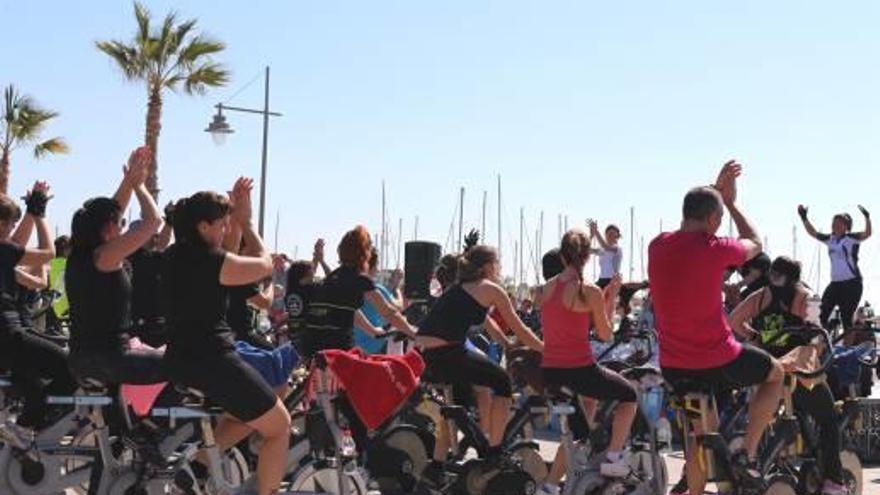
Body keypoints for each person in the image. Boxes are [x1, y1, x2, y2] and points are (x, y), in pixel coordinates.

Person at [648, 160, 783, 495]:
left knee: (698, 438)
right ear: (713, 221)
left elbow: (697, 215)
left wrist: (715, 194)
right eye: (719, 218)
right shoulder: (717, 250)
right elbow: (755, 241)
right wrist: (732, 202)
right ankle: (749, 454)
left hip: (676, 366)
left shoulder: (658, 246)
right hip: (718, 359)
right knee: (776, 373)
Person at [161, 178, 290, 495]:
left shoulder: (175, 255)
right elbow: (263, 266)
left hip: (182, 359)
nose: (224, 229)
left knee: (248, 414)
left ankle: (196, 468)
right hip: (214, 359)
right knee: (280, 426)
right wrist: (247, 223)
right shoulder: (211, 261)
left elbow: (228, 253)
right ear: (203, 226)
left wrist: (235, 221)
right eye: (221, 224)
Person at [416, 245, 544, 485]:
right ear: (487, 267)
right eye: (498, 264)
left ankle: (437, 464)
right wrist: (546, 350)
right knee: (502, 382)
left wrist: (506, 344)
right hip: (448, 352)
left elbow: (489, 324)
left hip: (428, 355)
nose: (500, 269)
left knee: (454, 406)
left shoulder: (462, 289)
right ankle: (494, 451)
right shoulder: (491, 289)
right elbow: (520, 328)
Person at [729, 256, 846, 495]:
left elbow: (733, 321)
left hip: (766, 368)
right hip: (796, 370)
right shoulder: (805, 297)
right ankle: (834, 482)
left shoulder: (761, 295)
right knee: (828, 419)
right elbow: (816, 334)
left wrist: (754, 337)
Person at [536, 230, 637, 495]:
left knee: (578, 432)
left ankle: (548, 486)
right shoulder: (587, 290)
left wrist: (605, 297)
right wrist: (610, 297)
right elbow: (606, 334)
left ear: (563, 254)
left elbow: (572, 316)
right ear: (586, 257)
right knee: (629, 395)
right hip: (579, 370)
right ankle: (614, 458)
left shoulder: (545, 289)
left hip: (550, 372)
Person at [66, 146, 166, 385]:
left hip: (83, 357)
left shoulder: (82, 255)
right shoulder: (105, 256)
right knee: (187, 365)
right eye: (118, 223)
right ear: (107, 229)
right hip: (111, 359)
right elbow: (153, 222)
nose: (121, 226)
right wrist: (140, 185)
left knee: (120, 418)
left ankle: (129, 421)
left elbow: (111, 210)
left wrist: (129, 181)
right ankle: (153, 420)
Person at [0, 182, 75, 439]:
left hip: (8, 338)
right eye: (10, 224)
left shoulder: (5, 250)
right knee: (70, 368)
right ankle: (28, 427)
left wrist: (32, 209)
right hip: (11, 333)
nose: (12, 230)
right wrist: (40, 214)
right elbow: (48, 253)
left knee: (34, 385)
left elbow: (17, 242)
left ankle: (22, 432)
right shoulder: (4, 249)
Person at [303, 225, 416, 357]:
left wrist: (372, 330)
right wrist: (413, 333)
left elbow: (349, 310)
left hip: (316, 349)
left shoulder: (333, 277)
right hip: (339, 351)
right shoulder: (360, 280)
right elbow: (389, 312)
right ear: (364, 253)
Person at [798, 204, 872, 331]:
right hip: (835, 284)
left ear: (846, 227)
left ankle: (848, 348)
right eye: (834, 222)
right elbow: (813, 233)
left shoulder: (851, 239)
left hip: (852, 284)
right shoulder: (830, 239)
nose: (835, 225)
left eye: (839, 223)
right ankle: (826, 340)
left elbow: (867, 234)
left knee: (846, 319)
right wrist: (804, 218)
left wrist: (867, 218)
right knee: (820, 315)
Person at [127, 203, 174, 347]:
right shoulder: (130, 258)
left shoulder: (154, 257)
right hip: (139, 327)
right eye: (151, 235)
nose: (155, 237)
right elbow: (161, 245)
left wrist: (169, 223)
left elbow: (161, 246)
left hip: (159, 324)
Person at [354, 247, 404, 354]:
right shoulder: (376, 289)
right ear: (371, 266)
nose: (378, 269)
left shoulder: (351, 287)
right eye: (377, 265)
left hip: (354, 345)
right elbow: (398, 307)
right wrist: (398, 289)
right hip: (374, 344)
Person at [589, 222, 622, 289]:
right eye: (609, 234)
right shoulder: (602, 250)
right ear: (605, 235)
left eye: (614, 235)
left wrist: (596, 231)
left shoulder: (617, 249)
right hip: (601, 280)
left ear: (617, 237)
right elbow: (587, 250)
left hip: (612, 280)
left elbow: (605, 246)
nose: (611, 236)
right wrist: (591, 235)